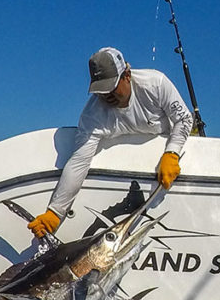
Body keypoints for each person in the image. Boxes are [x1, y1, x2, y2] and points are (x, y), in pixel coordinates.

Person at [27, 47, 194, 238]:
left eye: (111, 88)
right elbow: (79, 161)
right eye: (100, 92)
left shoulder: (156, 84)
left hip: (168, 167)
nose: (107, 97)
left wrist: (172, 152)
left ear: (127, 75)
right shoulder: (92, 116)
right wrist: (55, 211)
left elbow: (184, 119)